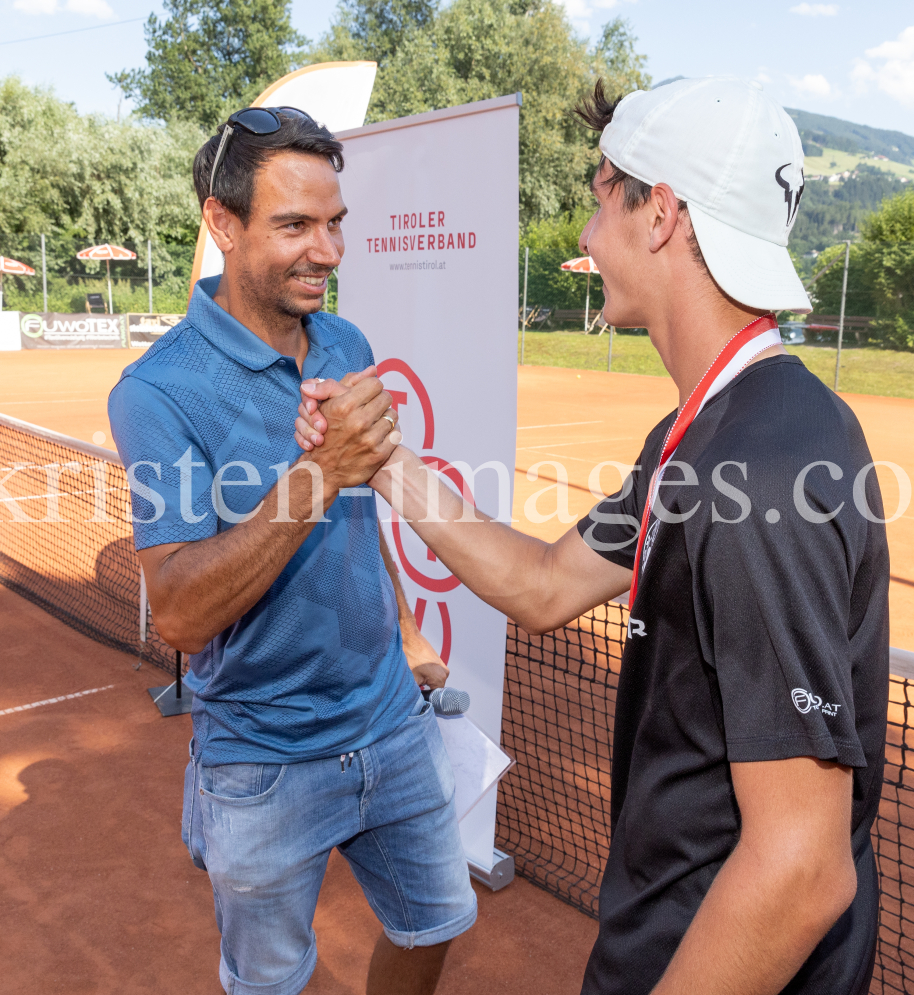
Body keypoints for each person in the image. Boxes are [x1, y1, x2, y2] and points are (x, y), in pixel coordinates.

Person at [295, 78, 890, 995]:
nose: (585, 232)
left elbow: (802, 869)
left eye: (601, 192)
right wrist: (376, 459)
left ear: (661, 212)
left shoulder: (761, 469)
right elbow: (541, 584)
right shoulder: (701, 435)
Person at [108, 107, 476, 995]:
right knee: (271, 983)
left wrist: (406, 634)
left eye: (336, 222)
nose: (329, 249)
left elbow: (364, 515)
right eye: (296, 225)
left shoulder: (345, 342)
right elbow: (184, 614)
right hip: (260, 758)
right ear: (222, 223)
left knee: (437, 922)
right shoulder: (158, 391)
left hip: (389, 723)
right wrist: (319, 472)